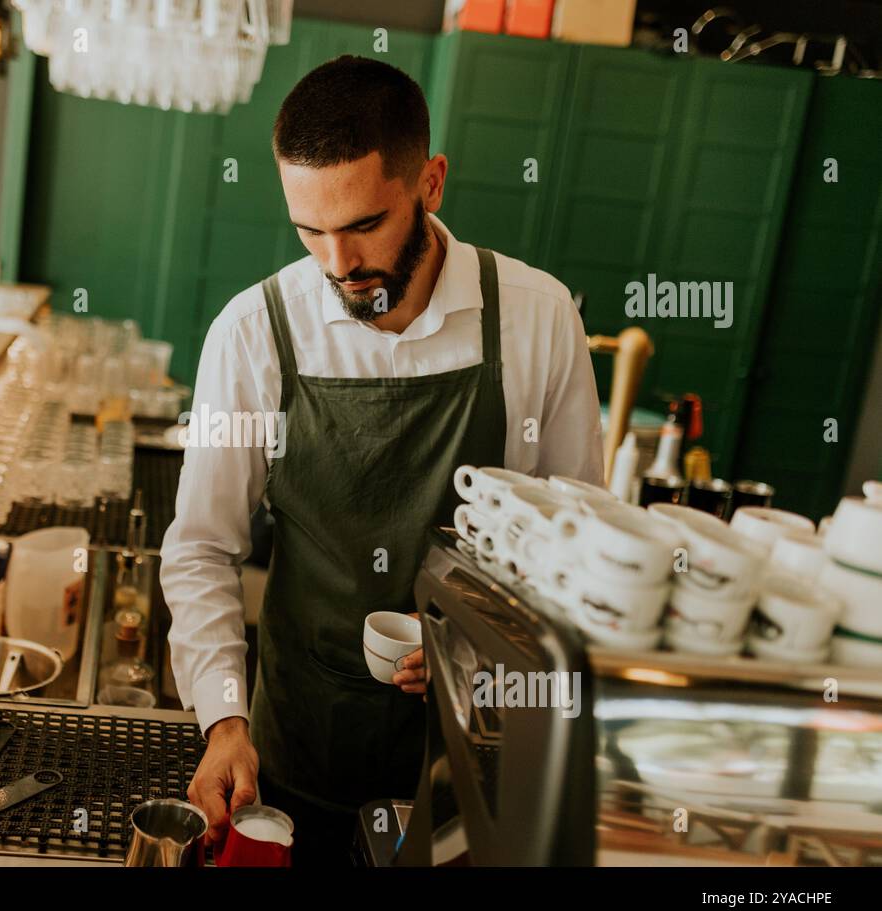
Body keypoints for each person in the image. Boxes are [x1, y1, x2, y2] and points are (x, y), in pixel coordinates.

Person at [159, 54, 604, 867]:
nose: (336, 263)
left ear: (431, 183)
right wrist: (224, 722)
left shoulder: (538, 321)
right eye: (309, 230)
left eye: (363, 225)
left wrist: (482, 651)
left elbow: (576, 560)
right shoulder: (254, 332)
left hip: (479, 766)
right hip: (294, 758)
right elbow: (200, 547)